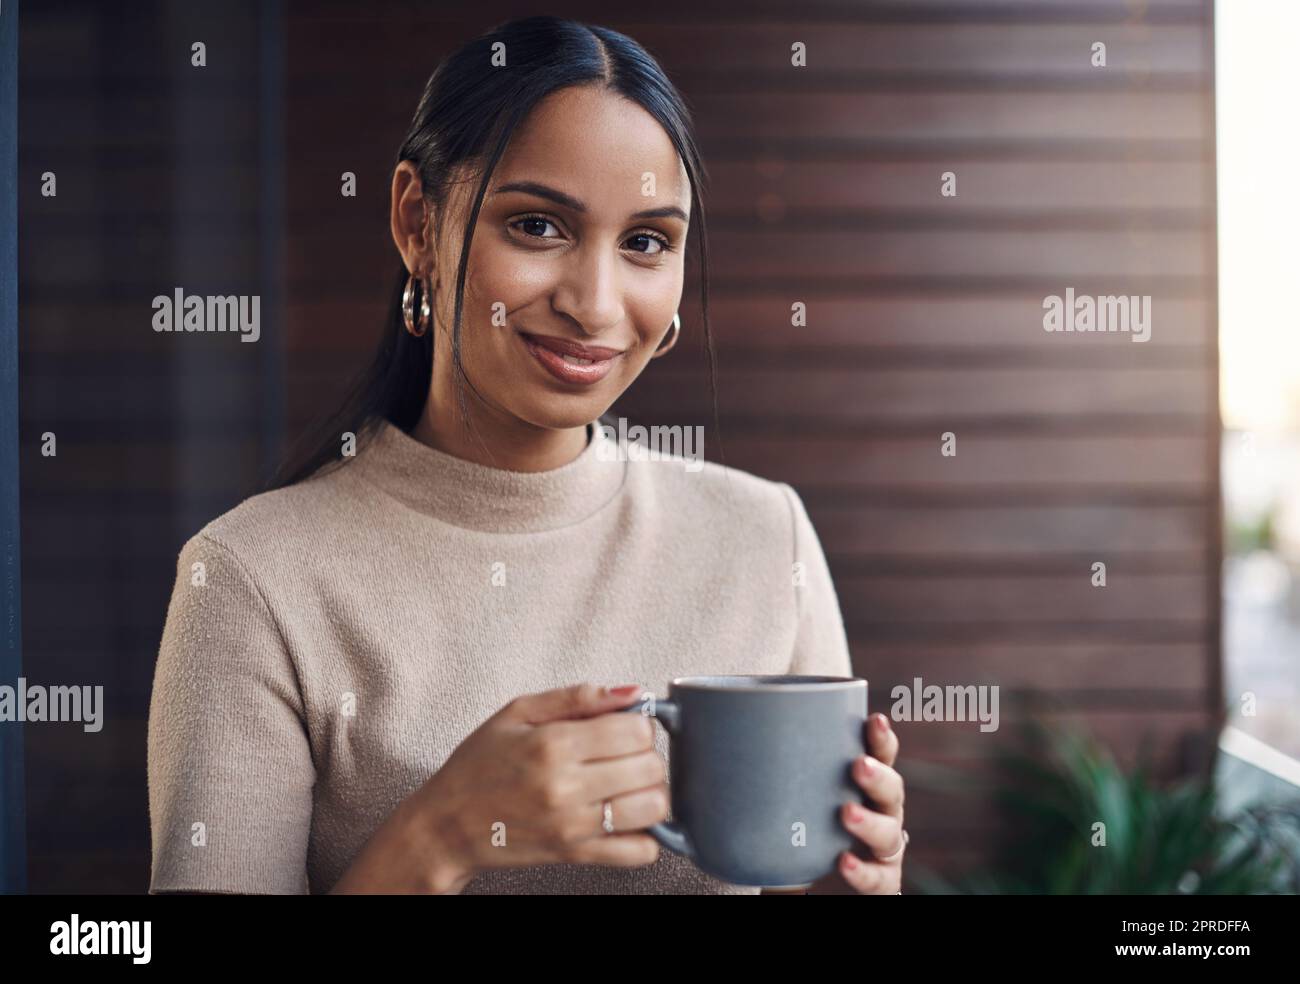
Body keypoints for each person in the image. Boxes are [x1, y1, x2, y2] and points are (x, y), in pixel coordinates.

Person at [146, 15, 906, 895]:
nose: (595, 303)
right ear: (416, 223)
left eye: (647, 242)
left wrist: (869, 882)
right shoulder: (251, 580)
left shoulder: (765, 537)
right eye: (539, 226)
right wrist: (440, 835)